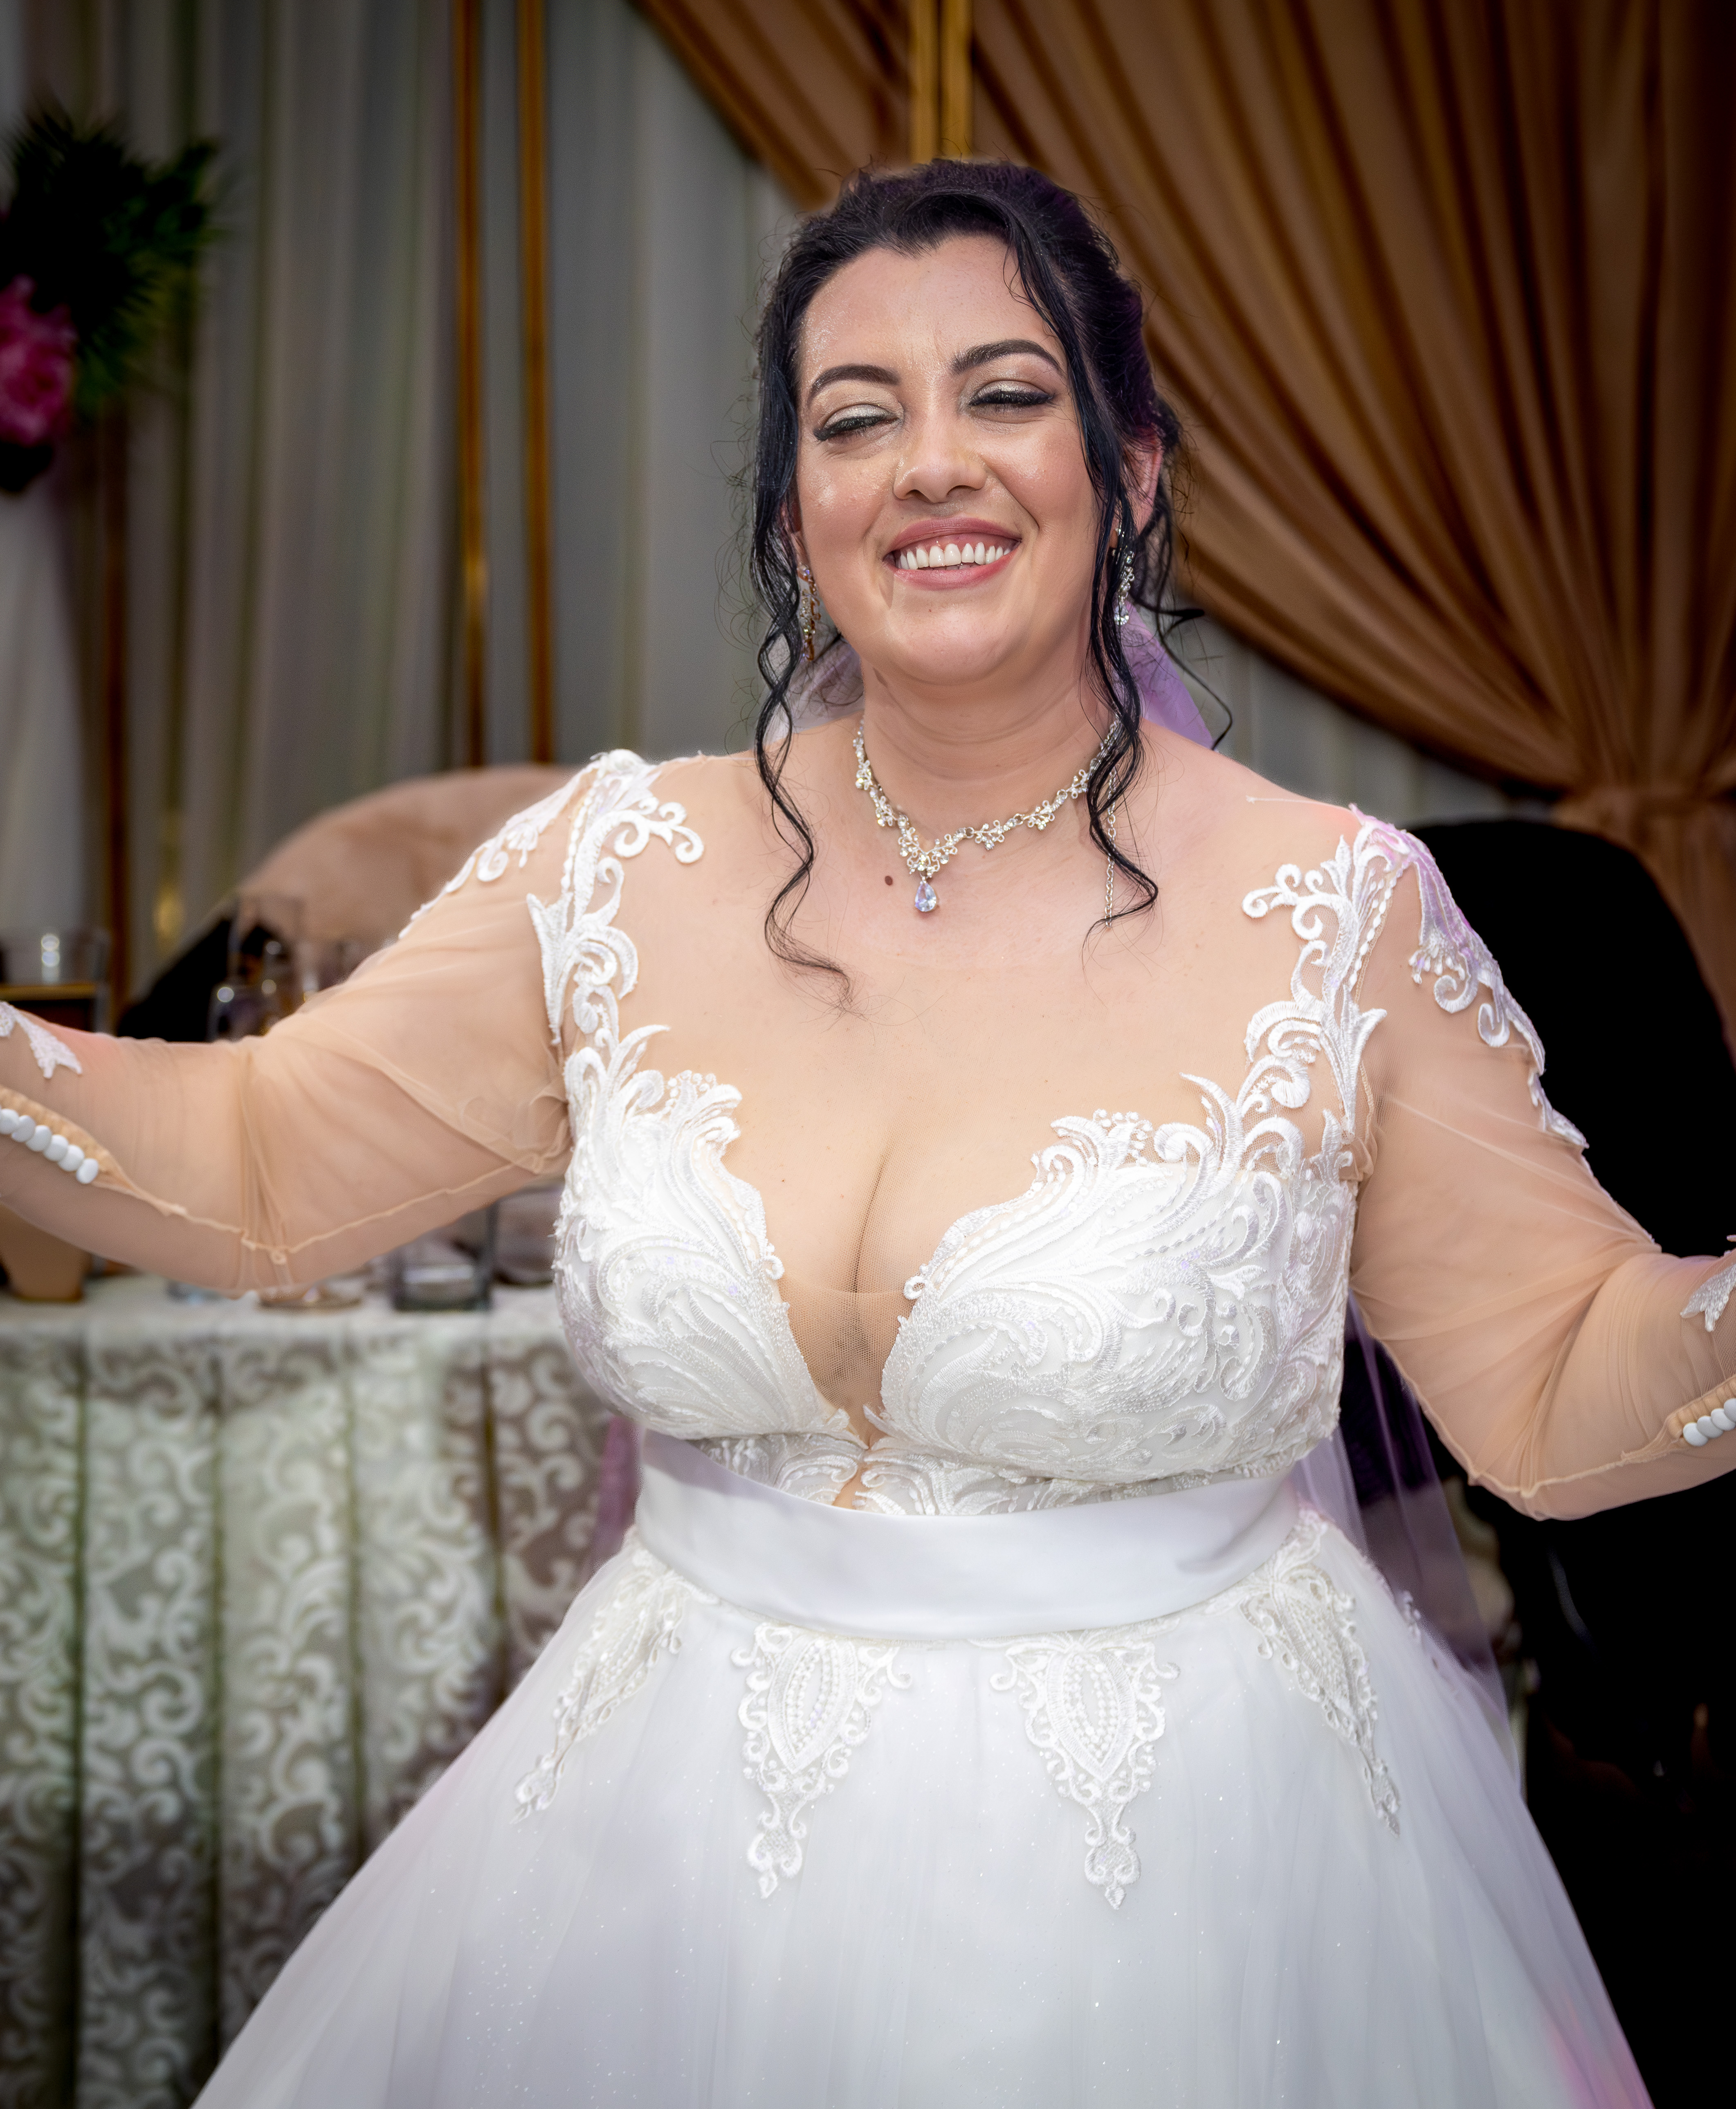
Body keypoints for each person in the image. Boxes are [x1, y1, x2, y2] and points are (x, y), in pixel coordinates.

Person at [2, 162, 1731, 2109]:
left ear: (1131, 469)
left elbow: (1558, 1379)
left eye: (1006, 393)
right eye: (853, 418)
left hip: (1206, 1889)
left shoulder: (1334, 910)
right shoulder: (619, 868)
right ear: (792, 510)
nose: (931, 465)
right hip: (656, 1874)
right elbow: (250, 1165)